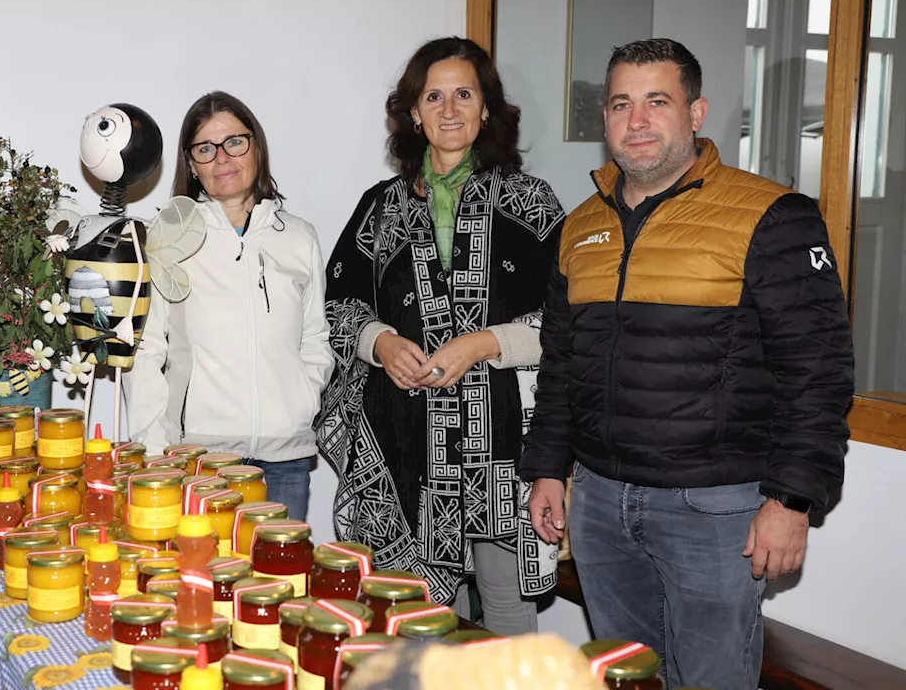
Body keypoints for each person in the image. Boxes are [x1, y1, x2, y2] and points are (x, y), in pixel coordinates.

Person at [521, 39, 854, 690]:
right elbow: (562, 361)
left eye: (657, 101)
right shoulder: (580, 227)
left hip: (714, 511)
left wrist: (792, 499)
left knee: (711, 681)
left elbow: (818, 371)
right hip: (598, 503)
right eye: (621, 104)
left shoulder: (771, 215)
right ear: (605, 121)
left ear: (696, 112)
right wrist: (545, 469)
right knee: (629, 677)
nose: (637, 121)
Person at [317, 37, 565, 633]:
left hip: (506, 446)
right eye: (434, 96)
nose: (449, 109)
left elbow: (571, 322)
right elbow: (335, 305)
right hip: (403, 443)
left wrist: (484, 344)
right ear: (413, 113)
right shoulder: (379, 208)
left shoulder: (533, 206)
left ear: (487, 109)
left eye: (464, 94)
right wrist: (378, 340)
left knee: (507, 614)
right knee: (420, 623)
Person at [124, 91, 333, 521]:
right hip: (201, 460)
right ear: (192, 165)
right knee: (207, 584)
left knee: (282, 583)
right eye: (205, 148)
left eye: (234, 142)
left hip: (285, 460)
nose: (222, 158)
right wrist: (154, 448)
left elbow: (315, 338)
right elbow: (146, 350)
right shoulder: (168, 236)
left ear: (256, 147)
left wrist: (302, 403)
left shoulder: (298, 237)